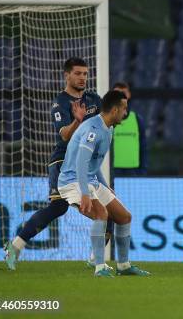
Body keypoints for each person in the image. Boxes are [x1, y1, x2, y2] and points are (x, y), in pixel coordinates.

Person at [4, 57, 102, 270]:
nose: (83, 77)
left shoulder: (94, 99)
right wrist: (77, 120)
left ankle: (97, 261)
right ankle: (15, 246)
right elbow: (64, 136)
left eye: (85, 73)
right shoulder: (61, 103)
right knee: (59, 207)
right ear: (67, 75)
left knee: (106, 210)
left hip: (86, 164)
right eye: (78, 73)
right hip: (63, 161)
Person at [57, 90, 150, 277]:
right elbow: (81, 163)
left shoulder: (109, 128)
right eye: (124, 109)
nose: (126, 112)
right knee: (101, 214)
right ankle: (99, 267)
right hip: (73, 181)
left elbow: (94, 163)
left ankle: (123, 266)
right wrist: (84, 192)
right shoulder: (93, 130)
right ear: (115, 110)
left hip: (90, 180)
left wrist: (105, 186)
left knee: (124, 217)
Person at [112, 82, 148, 176]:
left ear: (129, 95)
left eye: (123, 92)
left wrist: (143, 171)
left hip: (134, 171)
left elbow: (143, 147)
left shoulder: (137, 119)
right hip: (113, 170)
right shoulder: (108, 121)